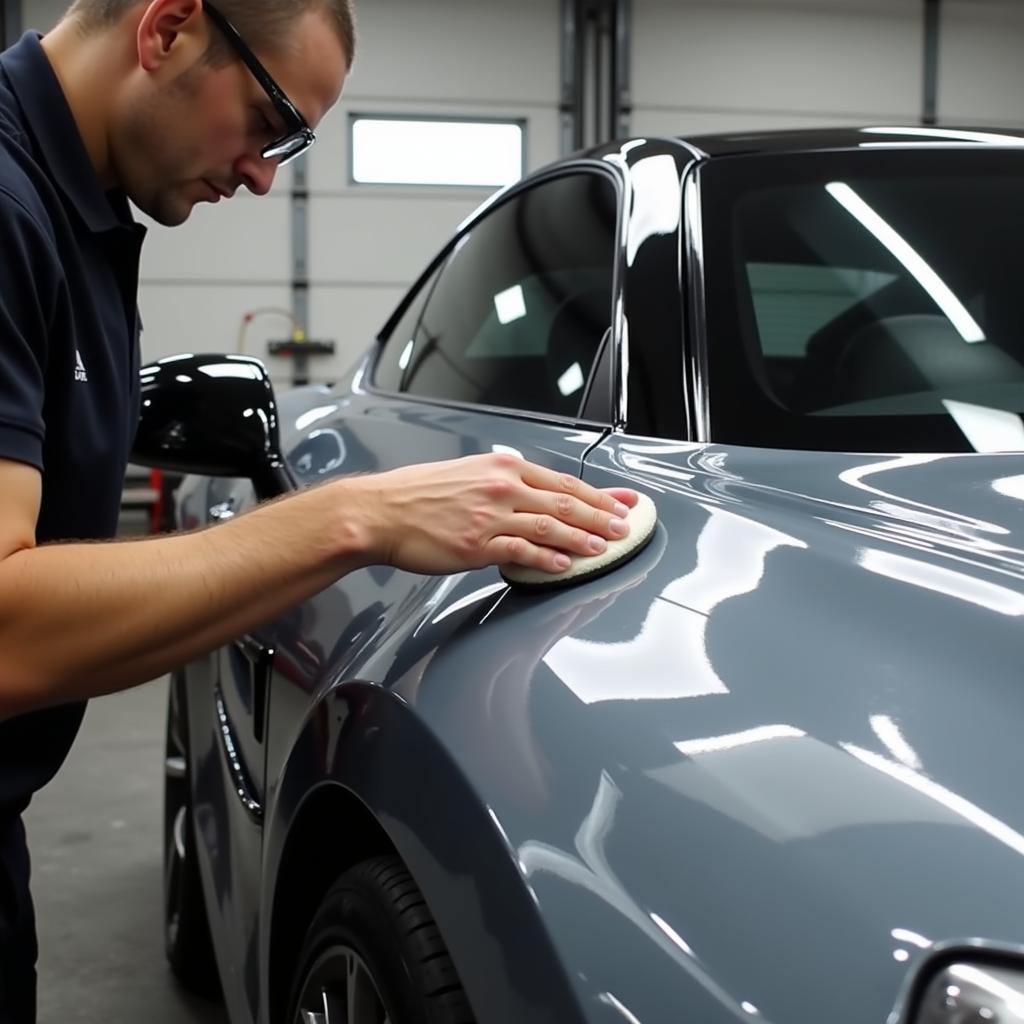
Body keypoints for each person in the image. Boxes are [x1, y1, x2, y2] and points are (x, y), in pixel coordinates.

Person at [0, 0, 636, 1018]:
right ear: (167, 28)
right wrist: (356, 520)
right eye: (267, 121)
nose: (262, 173)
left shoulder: (79, 211)